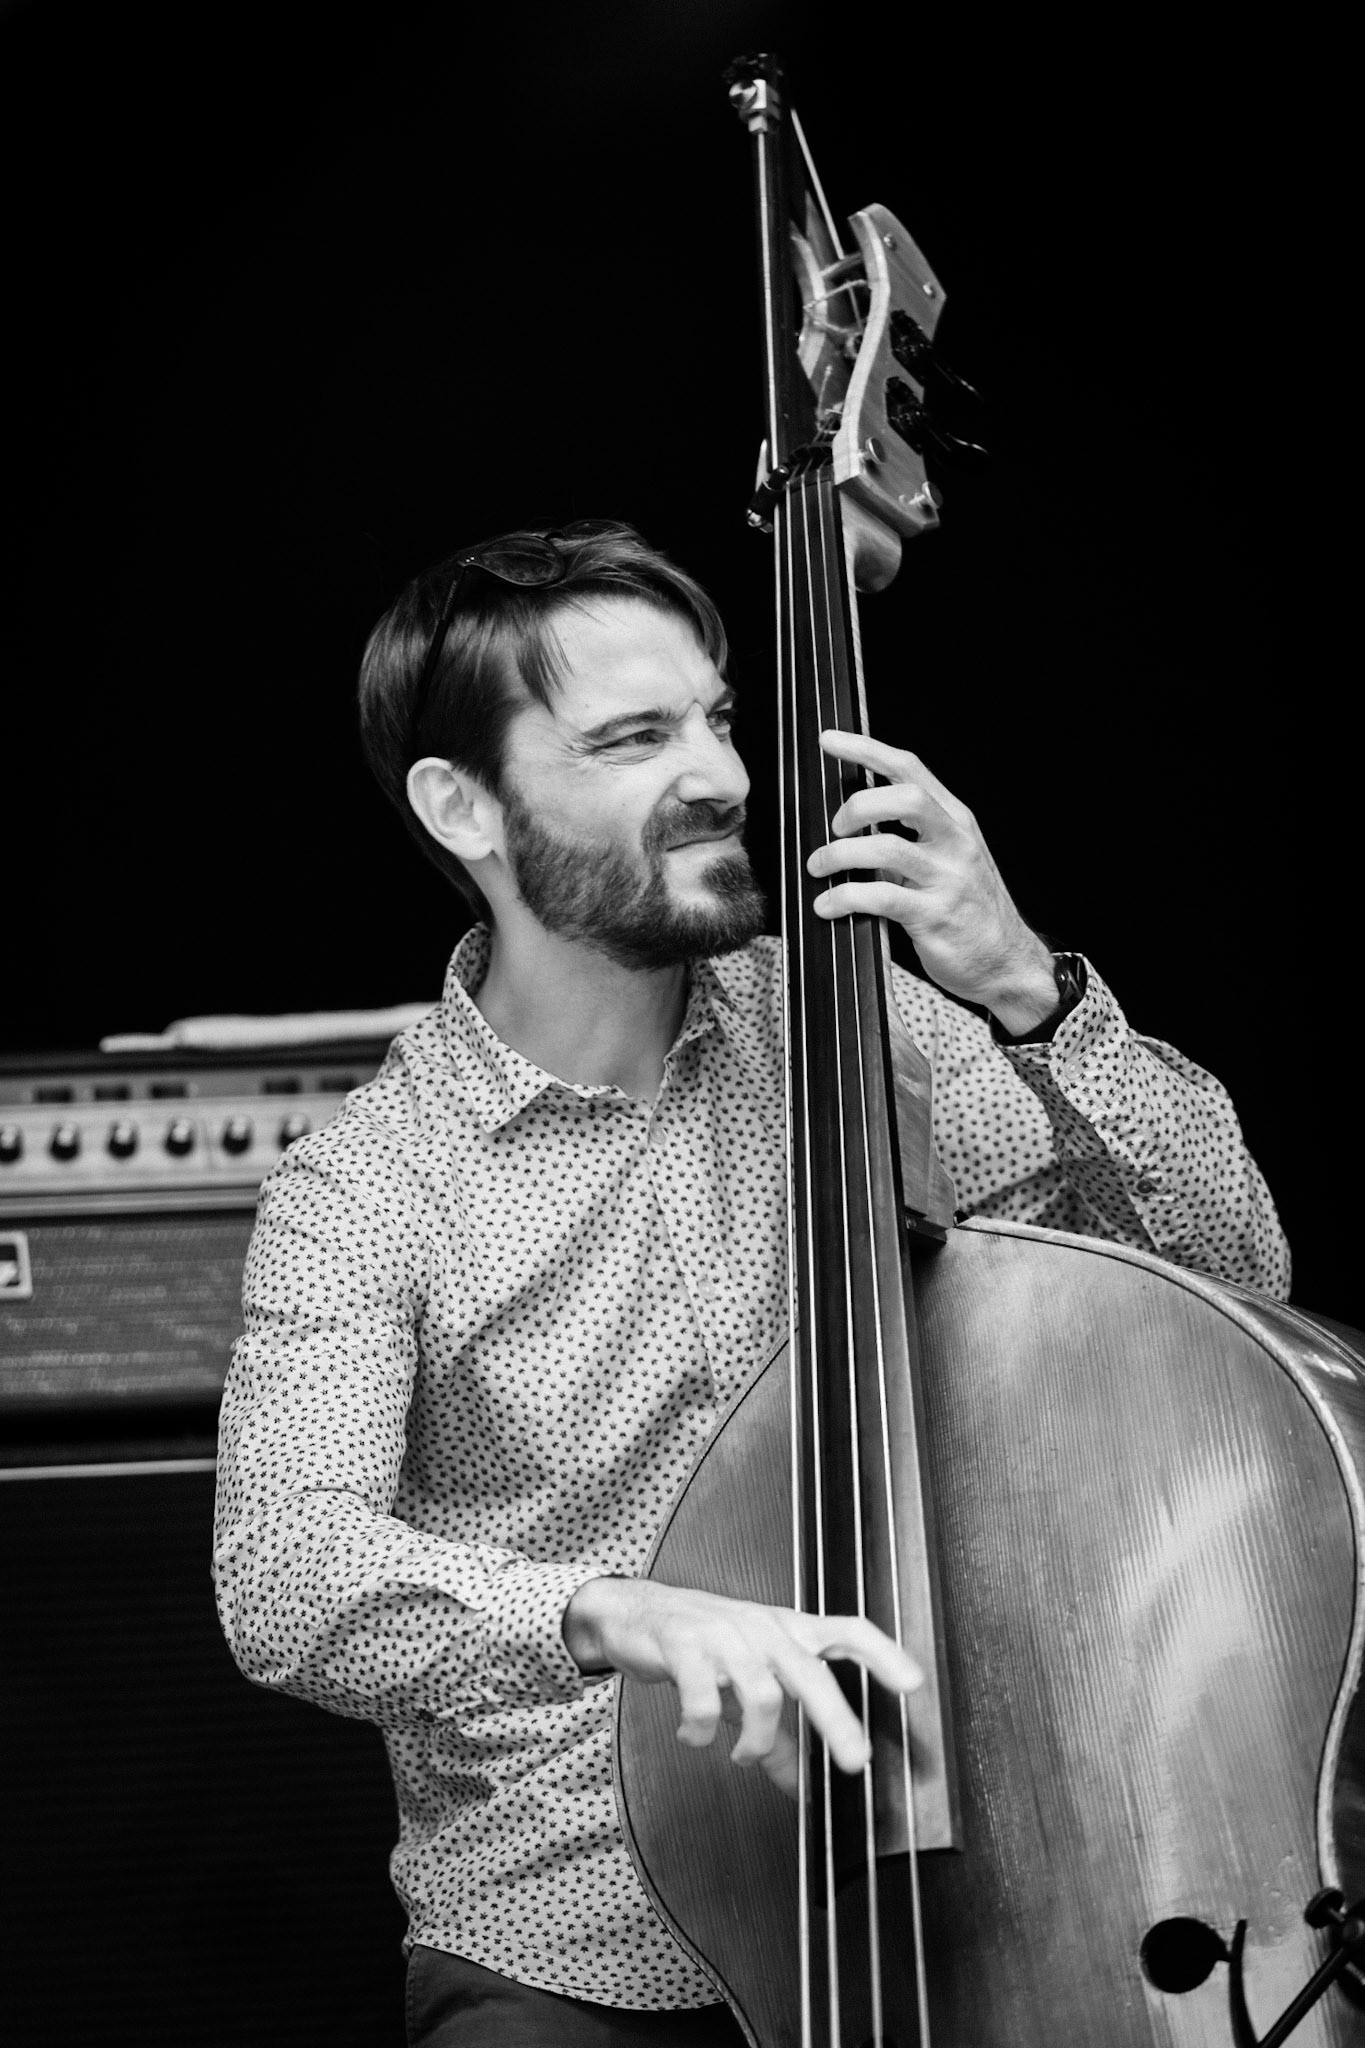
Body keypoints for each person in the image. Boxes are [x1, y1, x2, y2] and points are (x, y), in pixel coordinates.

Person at [213, 520, 1289, 2045]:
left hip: (991, 1862)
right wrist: (617, 1612)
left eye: (716, 717)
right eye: (635, 737)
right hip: (578, 1939)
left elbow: (1230, 1284)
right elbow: (283, 1573)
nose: (721, 773)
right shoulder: (367, 1185)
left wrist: (1027, 990)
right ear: (463, 805)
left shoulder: (853, 1024)